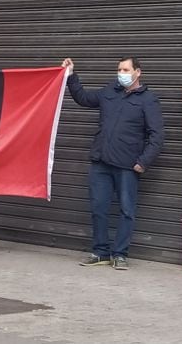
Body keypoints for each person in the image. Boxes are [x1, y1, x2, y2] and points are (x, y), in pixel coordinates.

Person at [62, 57, 164, 271]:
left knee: (126, 210)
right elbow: (83, 98)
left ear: (138, 72)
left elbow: (156, 136)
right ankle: (100, 252)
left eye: (125, 69)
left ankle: (120, 254)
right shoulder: (110, 92)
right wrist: (71, 76)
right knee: (98, 208)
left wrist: (143, 162)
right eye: (119, 69)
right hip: (101, 162)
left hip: (128, 166)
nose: (121, 73)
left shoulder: (148, 100)